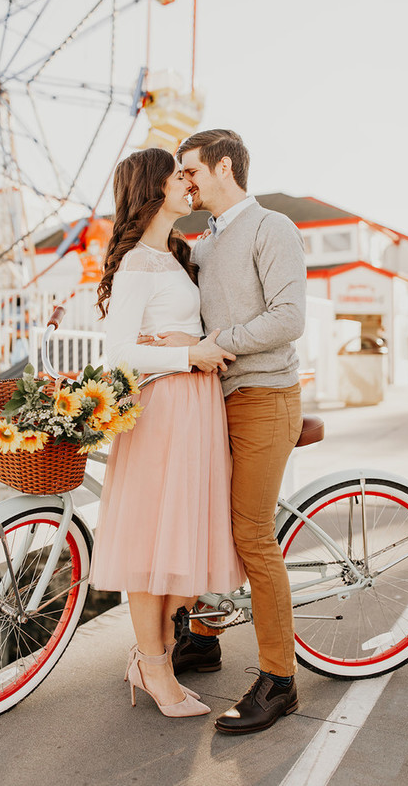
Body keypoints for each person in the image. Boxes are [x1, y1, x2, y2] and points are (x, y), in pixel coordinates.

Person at [152, 129, 307, 735]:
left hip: (265, 396)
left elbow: (288, 318)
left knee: (251, 535)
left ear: (223, 167)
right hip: (217, 401)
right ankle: (204, 640)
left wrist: (214, 345)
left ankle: (280, 680)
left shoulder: (272, 227)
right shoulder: (205, 243)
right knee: (209, 524)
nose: (184, 181)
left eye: (190, 170)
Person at [89, 147, 245, 719]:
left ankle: (149, 657)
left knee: (180, 549)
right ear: (153, 188)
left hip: (191, 407)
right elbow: (116, 356)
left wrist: (186, 348)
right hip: (164, 408)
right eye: (177, 175)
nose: (188, 183)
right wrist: (188, 354)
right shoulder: (136, 263)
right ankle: (155, 670)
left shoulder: (174, 255)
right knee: (153, 545)